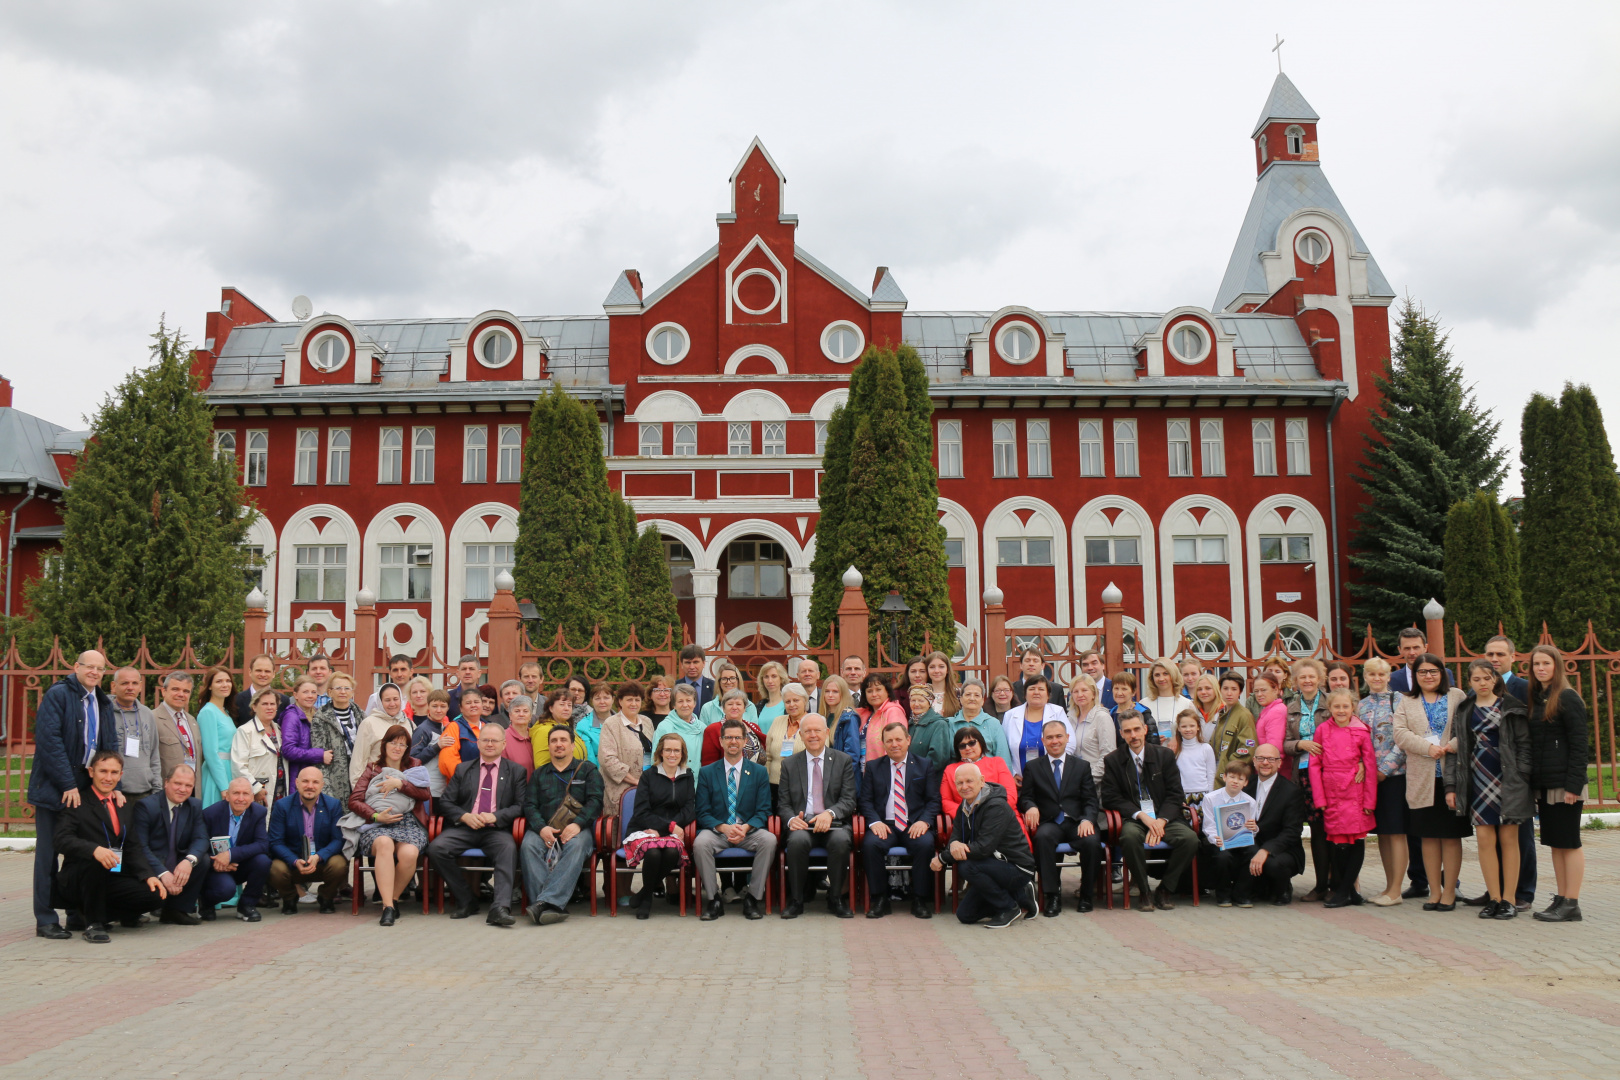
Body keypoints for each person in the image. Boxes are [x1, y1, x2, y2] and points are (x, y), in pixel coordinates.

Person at [28, 650, 119, 939]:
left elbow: (109, 745)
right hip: (57, 788)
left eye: (100, 668)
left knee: (81, 851)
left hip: (85, 787)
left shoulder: (102, 701)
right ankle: (45, 919)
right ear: (76, 667)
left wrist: (111, 784)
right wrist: (68, 784)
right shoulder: (58, 695)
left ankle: (77, 913)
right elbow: (49, 741)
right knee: (48, 853)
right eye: (89, 667)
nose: (94, 672)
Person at [1443, 659, 1531, 921]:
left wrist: (1522, 776)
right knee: (1484, 839)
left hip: (1509, 778)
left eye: (1486, 678)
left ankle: (1510, 900)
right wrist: (1451, 785)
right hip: (1478, 778)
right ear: (1469, 682)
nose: (1482, 683)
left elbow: (1525, 745)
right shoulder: (1465, 709)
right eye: (1476, 679)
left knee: (1509, 839)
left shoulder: (1512, 707)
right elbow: (1454, 750)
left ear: (1495, 679)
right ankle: (1494, 898)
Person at [52, 751, 166, 943]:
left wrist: (149, 875)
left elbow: (133, 847)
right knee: (97, 860)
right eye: (103, 771)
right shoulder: (78, 801)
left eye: (114, 772)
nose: (108, 777)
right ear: (91, 772)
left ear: (120, 775)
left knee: (155, 895)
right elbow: (61, 839)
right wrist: (93, 850)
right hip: (80, 876)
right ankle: (93, 924)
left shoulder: (123, 805)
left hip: (113, 875)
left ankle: (101, 915)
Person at [1393, 653, 1469, 911]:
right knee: (1427, 836)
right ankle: (1433, 891)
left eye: (1433, 671)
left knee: (1450, 836)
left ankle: (1449, 891)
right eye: (1423, 672)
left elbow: (1469, 728)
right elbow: (1400, 734)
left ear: (1442, 673)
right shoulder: (1407, 700)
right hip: (1422, 778)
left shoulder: (1457, 696)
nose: (1428, 676)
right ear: (1415, 676)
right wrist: (1427, 748)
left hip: (1451, 776)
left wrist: (1449, 747)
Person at [1099, 712, 1197, 911]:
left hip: (1165, 817)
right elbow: (1110, 797)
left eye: (1136, 729)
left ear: (1145, 729)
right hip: (1134, 818)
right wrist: (1141, 816)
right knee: (1129, 837)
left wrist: (1161, 821)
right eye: (1128, 731)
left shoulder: (1165, 755)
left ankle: (1165, 889)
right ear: (1121, 734)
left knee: (1190, 839)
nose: (1133, 735)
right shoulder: (1113, 760)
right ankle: (1144, 891)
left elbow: (1175, 794)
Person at [430, 725, 527, 926]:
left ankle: (499, 908)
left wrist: (496, 816)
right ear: (478, 743)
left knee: (508, 849)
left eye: (494, 741)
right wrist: (465, 816)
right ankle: (467, 900)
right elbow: (446, 803)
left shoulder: (516, 771)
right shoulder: (463, 769)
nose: (490, 744)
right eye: (485, 740)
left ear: (503, 744)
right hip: (465, 827)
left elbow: (521, 806)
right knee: (437, 848)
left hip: (496, 830)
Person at [1472, 634, 1535, 912]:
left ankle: (1522, 892)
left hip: (1513, 775)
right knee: (1489, 837)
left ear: (1513, 656)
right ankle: (1494, 891)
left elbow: (1528, 735)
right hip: (1484, 775)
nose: (1494, 659)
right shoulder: (1474, 694)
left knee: (1519, 837)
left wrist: (1524, 773)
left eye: (1499, 654)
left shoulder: (1524, 688)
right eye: (1490, 655)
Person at [931, 763, 1036, 928]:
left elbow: (984, 847)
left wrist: (943, 858)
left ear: (982, 781)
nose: (964, 787)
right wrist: (953, 846)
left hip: (1017, 867)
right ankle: (1020, 894)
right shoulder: (964, 807)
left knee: (967, 866)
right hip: (991, 866)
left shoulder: (996, 807)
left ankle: (1009, 908)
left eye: (969, 781)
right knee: (965, 915)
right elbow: (955, 839)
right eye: (959, 783)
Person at [1525, 645, 1587, 923]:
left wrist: (1573, 785)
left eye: (1545, 664)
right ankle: (1561, 899)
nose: (1540, 668)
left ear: (1556, 666)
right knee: (1555, 843)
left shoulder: (1568, 698)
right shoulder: (1539, 698)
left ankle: (1572, 902)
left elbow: (1579, 745)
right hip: (1546, 783)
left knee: (1569, 842)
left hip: (1566, 784)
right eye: (1536, 664)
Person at [693, 717, 776, 921]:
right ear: (721, 741)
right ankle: (714, 900)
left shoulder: (758, 772)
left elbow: (764, 809)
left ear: (745, 740)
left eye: (737, 738)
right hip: (718, 832)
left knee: (769, 840)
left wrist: (746, 827)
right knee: (700, 843)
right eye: (728, 737)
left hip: (748, 831)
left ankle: (753, 899)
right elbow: (702, 811)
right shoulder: (707, 773)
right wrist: (723, 828)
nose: (733, 742)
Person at [858, 722, 941, 919]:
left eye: (898, 739)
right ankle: (879, 899)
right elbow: (865, 801)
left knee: (926, 844)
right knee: (870, 845)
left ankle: (920, 899)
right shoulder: (873, 767)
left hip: (914, 825)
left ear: (908, 740)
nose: (894, 744)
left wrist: (925, 822)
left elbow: (933, 800)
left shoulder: (924, 765)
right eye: (889, 741)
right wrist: (874, 822)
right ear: (884, 744)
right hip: (884, 825)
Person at [1018, 719, 1102, 915]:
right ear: (1043, 741)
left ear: (1067, 738)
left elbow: (1091, 799)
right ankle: (1052, 895)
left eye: (1058, 736)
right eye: (1050, 737)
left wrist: (1087, 819)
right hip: (1049, 821)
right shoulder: (1033, 767)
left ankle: (1086, 895)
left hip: (1076, 821)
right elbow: (1026, 797)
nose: (1054, 741)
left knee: (1091, 841)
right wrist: (1030, 807)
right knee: (1042, 838)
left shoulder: (1081, 766)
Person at [349, 723, 430, 926]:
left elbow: (425, 794)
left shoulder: (414, 765)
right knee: (384, 844)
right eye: (393, 743)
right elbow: (355, 800)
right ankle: (388, 907)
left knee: (409, 854)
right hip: (377, 823)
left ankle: (392, 898)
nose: (397, 748)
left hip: (407, 821)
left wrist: (401, 784)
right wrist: (376, 816)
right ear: (384, 745)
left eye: (402, 745)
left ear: (407, 749)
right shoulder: (372, 769)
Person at [778, 713, 857, 919]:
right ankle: (796, 900)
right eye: (807, 731)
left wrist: (830, 813)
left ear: (827, 733)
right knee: (796, 841)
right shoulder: (789, 764)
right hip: (803, 824)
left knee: (840, 841)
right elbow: (783, 804)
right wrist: (790, 819)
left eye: (817, 730)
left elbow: (849, 800)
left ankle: (836, 898)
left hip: (835, 823)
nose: (813, 735)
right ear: (801, 736)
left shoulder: (843, 761)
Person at [520, 725, 601, 925]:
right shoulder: (539, 774)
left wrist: (579, 825)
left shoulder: (588, 770)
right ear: (548, 746)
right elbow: (529, 805)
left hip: (577, 829)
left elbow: (596, 801)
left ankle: (544, 903)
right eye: (554, 741)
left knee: (576, 846)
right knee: (528, 846)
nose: (559, 745)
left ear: (572, 746)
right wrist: (541, 828)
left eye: (563, 740)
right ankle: (551, 906)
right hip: (544, 828)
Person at [1311, 688, 1377, 908]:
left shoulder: (1361, 731)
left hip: (1356, 793)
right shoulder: (1322, 730)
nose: (1341, 710)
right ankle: (1345, 890)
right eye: (1336, 706)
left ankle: (1345, 891)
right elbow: (1315, 765)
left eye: (1345, 706)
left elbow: (1369, 766)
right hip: (1333, 793)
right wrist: (1319, 799)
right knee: (1338, 843)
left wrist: (1369, 801)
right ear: (1329, 708)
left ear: (1353, 708)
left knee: (1357, 842)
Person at [625, 733, 697, 919]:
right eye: (668, 750)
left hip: (671, 831)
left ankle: (643, 893)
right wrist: (670, 826)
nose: (672, 754)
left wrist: (670, 827)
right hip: (645, 827)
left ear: (682, 754)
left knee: (672, 852)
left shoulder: (687, 776)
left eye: (676, 750)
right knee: (654, 852)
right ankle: (647, 899)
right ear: (660, 752)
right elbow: (641, 812)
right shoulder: (648, 776)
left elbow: (689, 809)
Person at [129, 764, 211, 924]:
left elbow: (201, 838)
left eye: (188, 785)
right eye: (178, 783)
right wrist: (162, 873)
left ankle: (175, 911)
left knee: (203, 860)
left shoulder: (194, 806)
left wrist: (189, 861)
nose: (183, 789)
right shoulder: (146, 806)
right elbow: (140, 847)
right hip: (153, 863)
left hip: (177, 860)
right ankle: (131, 913)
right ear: (166, 782)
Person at [1359, 658, 1408, 906]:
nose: (1377, 679)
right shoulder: (1361, 705)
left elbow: (1403, 739)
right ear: (1365, 676)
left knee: (1397, 832)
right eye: (1372, 674)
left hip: (1395, 776)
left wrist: (1384, 770)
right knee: (1383, 833)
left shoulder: (1399, 701)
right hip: (1369, 778)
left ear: (1389, 676)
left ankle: (1397, 889)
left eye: (1381, 674)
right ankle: (1388, 886)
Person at [267, 766, 348, 914]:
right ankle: (290, 898)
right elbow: (275, 842)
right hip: (292, 863)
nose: (310, 786)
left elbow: (338, 840)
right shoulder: (282, 806)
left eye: (315, 782)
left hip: (322, 862)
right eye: (305, 781)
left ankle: (326, 897)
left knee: (340, 864)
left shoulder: (333, 805)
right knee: (274, 868)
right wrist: (294, 860)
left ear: (322, 785)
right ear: (296, 783)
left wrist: (319, 857)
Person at [199, 777, 271, 922]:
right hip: (216, 866)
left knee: (263, 861)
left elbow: (262, 844)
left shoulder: (258, 812)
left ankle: (247, 905)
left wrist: (231, 855)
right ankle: (206, 903)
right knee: (226, 890)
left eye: (245, 794)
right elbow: (202, 846)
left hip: (240, 863)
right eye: (236, 793)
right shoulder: (210, 814)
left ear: (252, 797)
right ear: (227, 796)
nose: (240, 798)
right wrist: (218, 862)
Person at [1243, 743, 1307, 903]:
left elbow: (1292, 831)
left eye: (1271, 759)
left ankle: (1282, 888)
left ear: (1279, 763)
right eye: (1261, 758)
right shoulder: (1244, 785)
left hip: (1282, 850)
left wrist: (1266, 850)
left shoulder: (1291, 792)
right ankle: (1256, 886)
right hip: (1251, 844)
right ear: (1254, 761)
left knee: (1274, 865)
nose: (1265, 762)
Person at [1202, 760, 1260, 907]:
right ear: (1225, 777)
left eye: (1240, 779)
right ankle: (1223, 894)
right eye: (1232, 777)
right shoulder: (1210, 798)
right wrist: (1217, 839)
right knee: (1223, 856)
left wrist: (1254, 829)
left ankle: (1242, 894)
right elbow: (1208, 826)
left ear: (1246, 783)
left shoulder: (1250, 802)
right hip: (1219, 840)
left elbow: (1251, 828)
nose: (1235, 782)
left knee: (1253, 852)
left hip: (1240, 841)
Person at [108, 666, 161, 806]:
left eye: (134, 683)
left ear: (140, 687)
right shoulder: (105, 714)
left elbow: (154, 754)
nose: (130, 687)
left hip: (147, 793)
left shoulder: (147, 714)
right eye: (125, 683)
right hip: (116, 793)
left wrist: (157, 789)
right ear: (114, 686)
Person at [599, 681, 655, 813]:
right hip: (620, 789)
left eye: (637, 700)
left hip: (646, 787)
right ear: (620, 701)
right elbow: (607, 760)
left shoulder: (647, 722)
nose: (634, 704)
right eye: (629, 700)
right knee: (621, 828)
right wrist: (635, 781)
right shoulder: (611, 724)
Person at [1002, 676, 1073, 778]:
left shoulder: (1057, 712)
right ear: (1025, 694)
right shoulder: (1010, 715)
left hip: (1052, 777)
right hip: (1019, 778)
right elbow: (1003, 749)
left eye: (1041, 689)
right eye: (1031, 689)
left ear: (1048, 695)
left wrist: (1057, 767)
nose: (1036, 692)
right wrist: (1012, 773)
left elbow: (1070, 744)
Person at [231, 687, 286, 806]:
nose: (269, 707)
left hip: (281, 793)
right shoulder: (245, 731)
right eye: (264, 704)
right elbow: (238, 766)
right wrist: (255, 789)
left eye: (272, 704)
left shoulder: (280, 730)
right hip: (259, 794)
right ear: (254, 707)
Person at [308, 672, 356, 804]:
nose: (343, 692)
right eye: (338, 688)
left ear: (352, 692)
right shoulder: (320, 718)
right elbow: (319, 756)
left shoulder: (361, 715)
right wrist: (326, 787)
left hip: (358, 774)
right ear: (330, 692)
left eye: (347, 688)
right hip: (335, 778)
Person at [762, 682, 809, 807]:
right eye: (788, 701)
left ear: (805, 701)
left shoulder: (814, 722)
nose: (792, 704)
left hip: (802, 787)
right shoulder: (777, 721)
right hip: (774, 785)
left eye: (796, 700)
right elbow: (768, 755)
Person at [196, 666, 237, 806]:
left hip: (229, 769)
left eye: (228, 681)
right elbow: (210, 753)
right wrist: (223, 785)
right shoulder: (208, 712)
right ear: (209, 686)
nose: (225, 685)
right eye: (219, 681)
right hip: (216, 774)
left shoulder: (225, 711)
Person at [153, 671, 204, 783]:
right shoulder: (152, 718)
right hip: (166, 789)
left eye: (186, 691)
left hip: (192, 788)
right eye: (175, 689)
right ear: (164, 691)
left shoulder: (192, 721)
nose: (181, 694)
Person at [353, 682, 407, 785]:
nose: (392, 704)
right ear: (380, 702)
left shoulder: (408, 723)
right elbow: (358, 761)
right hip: (375, 786)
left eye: (395, 699)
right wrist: (358, 790)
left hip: (402, 786)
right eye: (387, 700)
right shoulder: (368, 724)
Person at [822, 675, 867, 797]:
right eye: (827, 691)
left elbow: (851, 756)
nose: (830, 695)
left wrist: (838, 780)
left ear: (843, 694)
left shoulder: (849, 718)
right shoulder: (822, 717)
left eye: (835, 691)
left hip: (841, 782)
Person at [279, 676, 328, 782]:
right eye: (305, 692)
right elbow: (288, 750)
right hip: (298, 775)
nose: (310, 696)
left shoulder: (317, 713)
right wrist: (320, 755)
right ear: (295, 695)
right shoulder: (292, 716)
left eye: (313, 692)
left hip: (315, 774)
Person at [1068, 674, 1116, 783]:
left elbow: (1108, 754)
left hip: (1095, 783)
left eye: (1085, 690)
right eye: (1075, 691)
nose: (1080, 695)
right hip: (1073, 781)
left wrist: (1088, 779)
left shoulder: (1102, 717)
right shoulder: (1069, 718)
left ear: (1094, 694)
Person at [954, 678, 1013, 764]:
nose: (972, 698)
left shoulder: (993, 724)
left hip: (988, 775)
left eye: (977, 695)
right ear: (961, 699)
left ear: (982, 701)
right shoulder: (950, 724)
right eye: (968, 694)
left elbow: (1003, 759)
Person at [700, 688, 765, 767]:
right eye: (730, 704)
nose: (734, 707)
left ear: (744, 708)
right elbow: (709, 764)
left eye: (738, 704)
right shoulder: (712, 730)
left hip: (757, 776)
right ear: (723, 708)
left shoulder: (754, 727)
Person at [438, 681, 490, 779]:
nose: (473, 705)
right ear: (460, 708)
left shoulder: (489, 727)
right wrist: (467, 780)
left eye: (476, 702)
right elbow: (447, 761)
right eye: (468, 703)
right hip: (463, 786)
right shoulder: (454, 727)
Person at [654, 683, 707, 776]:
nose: (685, 705)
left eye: (688, 700)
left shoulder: (703, 728)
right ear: (674, 705)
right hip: (672, 783)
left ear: (694, 703)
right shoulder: (665, 727)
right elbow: (656, 760)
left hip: (699, 782)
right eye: (680, 701)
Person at [1210, 672, 1257, 778]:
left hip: (1232, 777)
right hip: (1216, 774)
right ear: (1220, 690)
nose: (1229, 693)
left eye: (1234, 689)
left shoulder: (1244, 715)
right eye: (1225, 688)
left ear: (1240, 692)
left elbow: (1248, 749)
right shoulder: (1221, 714)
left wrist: (1227, 767)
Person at [904, 684, 954, 777]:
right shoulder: (909, 724)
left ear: (929, 702)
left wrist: (917, 773)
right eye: (913, 700)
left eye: (921, 700)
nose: (916, 704)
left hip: (929, 779)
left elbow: (938, 758)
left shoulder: (939, 724)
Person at [528, 690, 589, 767]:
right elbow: (542, 765)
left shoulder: (568, 727)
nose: (566, 708)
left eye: (569, 705)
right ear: (551, 708)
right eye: (562, 705)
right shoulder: (543, 731)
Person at [859, 673, 907, 762]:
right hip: (864, 770)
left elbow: (897, 745)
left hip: (883, 769)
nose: (874, 694)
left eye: (878, 690)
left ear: (887, 691)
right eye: (869, 691)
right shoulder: (865, 714)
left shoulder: (893, 712)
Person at [1171, 709, 1217, 797]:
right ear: (1179, 728)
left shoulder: (1206, 748)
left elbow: (1211, 775)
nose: (1188, 729)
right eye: (1184, 726)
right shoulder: (1175, 751)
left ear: (1198, 727)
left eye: (1192, 726)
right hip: (1182, 795)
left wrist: (1210, 796)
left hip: (1203, 794)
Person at [233, 653, 287, 727]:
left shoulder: (284, 701)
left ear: (273, 674)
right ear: (250, 672)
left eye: (267, 671)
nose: (263, 674)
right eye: (258, 670)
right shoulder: (236, 700)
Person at [1251, 672, 1288, 767]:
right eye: (1256, 691)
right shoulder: (1269, 709)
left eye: (1263, 690)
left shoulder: (1276, 711)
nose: (1259, 694)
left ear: (1275, 690)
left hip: (1270, 769)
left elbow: (1274, 747)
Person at [1141, 659, 1184, 742]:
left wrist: (1177, 740)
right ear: (1152, 678)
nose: (1161, 679)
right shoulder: (1144, 704)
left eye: (1165, 674)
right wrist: (1151, 741)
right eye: (1157, 675)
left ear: (1173, 675)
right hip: (1153, 753)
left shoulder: (1187, 704)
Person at [1107, 672, 1157, 743]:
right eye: (1116, 688)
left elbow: (1153, 742)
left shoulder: (1143, 713)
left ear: (1133, 692)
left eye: (1124, 689)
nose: (1119, 693)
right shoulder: (1110, 715)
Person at [676, 643, 716, 712]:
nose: (692, 667)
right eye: (688, 663)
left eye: (695, 662)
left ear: (703, 663)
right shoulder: (675, 687)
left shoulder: (714, 687)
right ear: (682, 665)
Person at [502, 695, 535, 775]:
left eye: (525, 711)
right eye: (517, 711)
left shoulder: (535, 736)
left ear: (530, 716)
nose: (521, 714)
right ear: (510, 715)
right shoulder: (502, 737)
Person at [755, 660, 789, 735]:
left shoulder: (788, 704)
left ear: (781, 679)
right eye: (766, 677)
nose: (770, 681)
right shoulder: (759, 706)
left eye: (774, 676)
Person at [924, 650, 961, 718]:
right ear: (927, 669)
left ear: (947, 670)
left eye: (941, 666)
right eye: (932, 667)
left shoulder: (957, 693)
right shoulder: (921, 693)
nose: (936, 671)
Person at [1189, 672, 1223, 741]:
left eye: (1208, 688)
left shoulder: (1225, 711)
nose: (1203, 692)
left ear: (1216, 689)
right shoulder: (1192, 710)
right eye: (1199, 689)